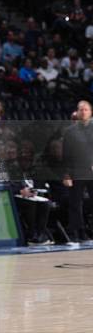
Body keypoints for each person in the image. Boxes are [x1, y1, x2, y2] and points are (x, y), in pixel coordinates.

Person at [62, 100, 93, 242]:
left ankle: (89, 230)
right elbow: (66, 154)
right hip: (76, 171)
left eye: (86, 109)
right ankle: (77, 233)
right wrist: (66, 174)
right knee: (76, 204)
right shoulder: (70, 131)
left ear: (91, 112)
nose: (83, 112)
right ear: (77, 112)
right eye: (81, 109)